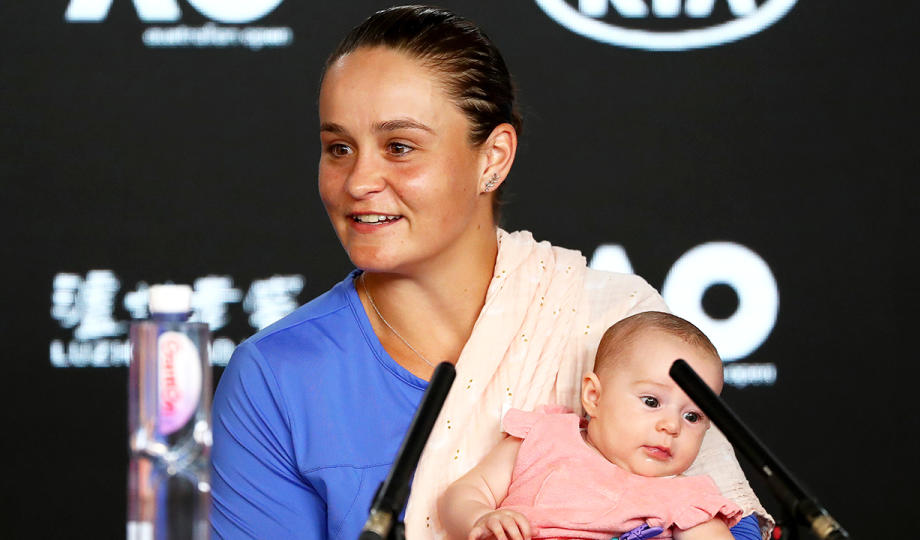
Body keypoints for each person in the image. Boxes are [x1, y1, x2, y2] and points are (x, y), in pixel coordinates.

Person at [210, 5, 770, 540]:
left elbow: (719, 517)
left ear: (494, 158)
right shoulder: (275, 377)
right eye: (338, 148)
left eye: (399, 146)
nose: (358, 181)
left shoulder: (613, 323)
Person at [439, 311, 743, 540]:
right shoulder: (544, 437)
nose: (671, 426)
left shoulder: (686, 498)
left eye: (693, 416)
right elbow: (464, 492)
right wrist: (480, 518)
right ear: (593, 396)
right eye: (651, 401)